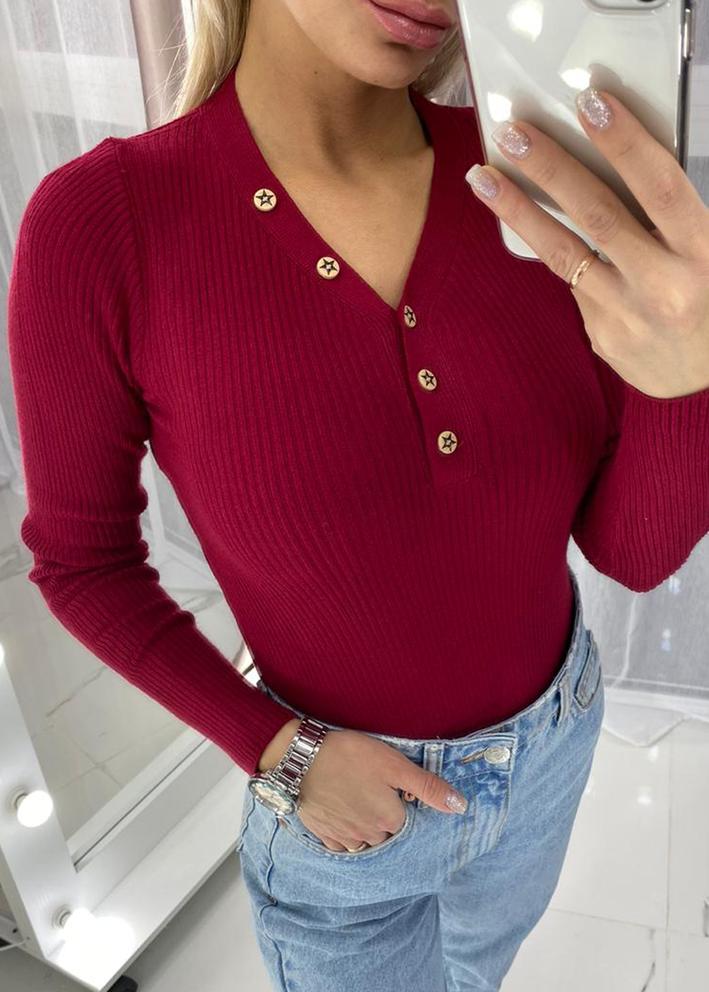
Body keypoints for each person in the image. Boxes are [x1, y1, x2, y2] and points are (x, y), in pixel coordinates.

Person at [8, 1, 709, 990]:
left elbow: (630, 553)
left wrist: (687, 377)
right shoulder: (105, 224)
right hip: (338, 811)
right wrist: (276, 750)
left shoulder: (537, 178)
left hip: (553, 748)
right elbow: (83, 563)